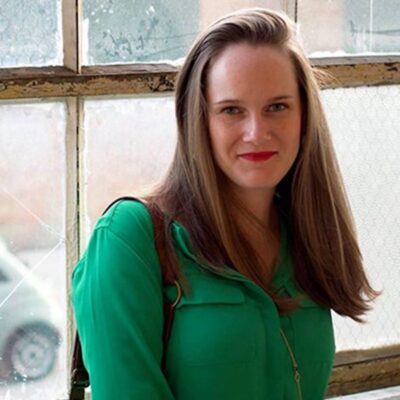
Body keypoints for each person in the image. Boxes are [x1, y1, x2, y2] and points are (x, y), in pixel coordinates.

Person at [72, 8, 379, 400]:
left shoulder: (306, 235)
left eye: (277, 106)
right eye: (231, 110)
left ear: (305, 116)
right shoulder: (130, 239)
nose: (256, 132)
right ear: (199, 119)